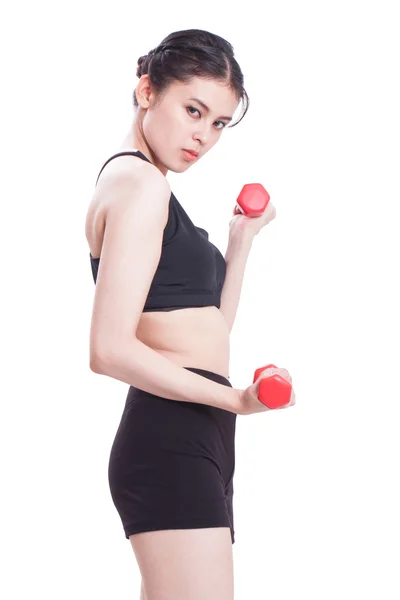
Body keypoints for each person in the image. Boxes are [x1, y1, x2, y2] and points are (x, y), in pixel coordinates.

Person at [86, 28, 295, 600]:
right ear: (148, 90)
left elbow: (209, 336)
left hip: (198, 432)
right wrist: (234, 400)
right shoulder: (138, 183)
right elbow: (108, 350)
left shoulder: (148, 187)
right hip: (171, 435)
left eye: (219, 123)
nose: (203, 135)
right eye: (193, 110)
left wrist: (241, 240)